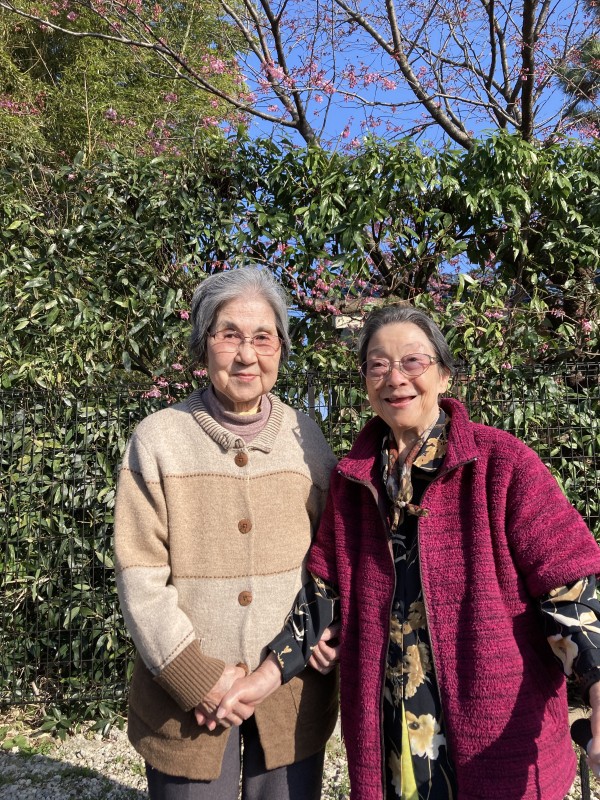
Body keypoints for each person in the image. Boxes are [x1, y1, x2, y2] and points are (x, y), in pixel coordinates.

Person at [218, 304, 600, 800]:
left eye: (413, 362)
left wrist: (597, 690)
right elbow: (324, 590)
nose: (395, 378)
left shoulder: (503, 465)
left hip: (493, 728)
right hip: (392, 731)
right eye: (378, 365)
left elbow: (569, 588)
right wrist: (267, 676)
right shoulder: (353, 481)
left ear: (443, 374)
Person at [113, 267, 339, 800]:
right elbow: (140, 573)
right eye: (229, 335)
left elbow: (333, 555)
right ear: (203, 344)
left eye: (263, 337)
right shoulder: (158, 439)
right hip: (185, 701)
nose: (246, 355)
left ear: (280, 349)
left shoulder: (306, 439)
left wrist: (327, 630)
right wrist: (196, 677)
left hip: (290, 689)